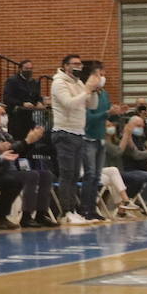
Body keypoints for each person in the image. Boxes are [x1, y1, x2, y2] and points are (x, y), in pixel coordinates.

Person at [51, 54, 103, 225]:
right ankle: (66, 211)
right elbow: (69, 103)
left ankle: (73, 210)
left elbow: (92, 105)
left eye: (80, 64)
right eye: (75, 64)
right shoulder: (59, 82)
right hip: (64, 132)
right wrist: (87, 90)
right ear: (65, 66)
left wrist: (94, 91)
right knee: (67, 174)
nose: (79, 67)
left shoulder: (78, 83)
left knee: (75, 175)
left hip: (78, 133)